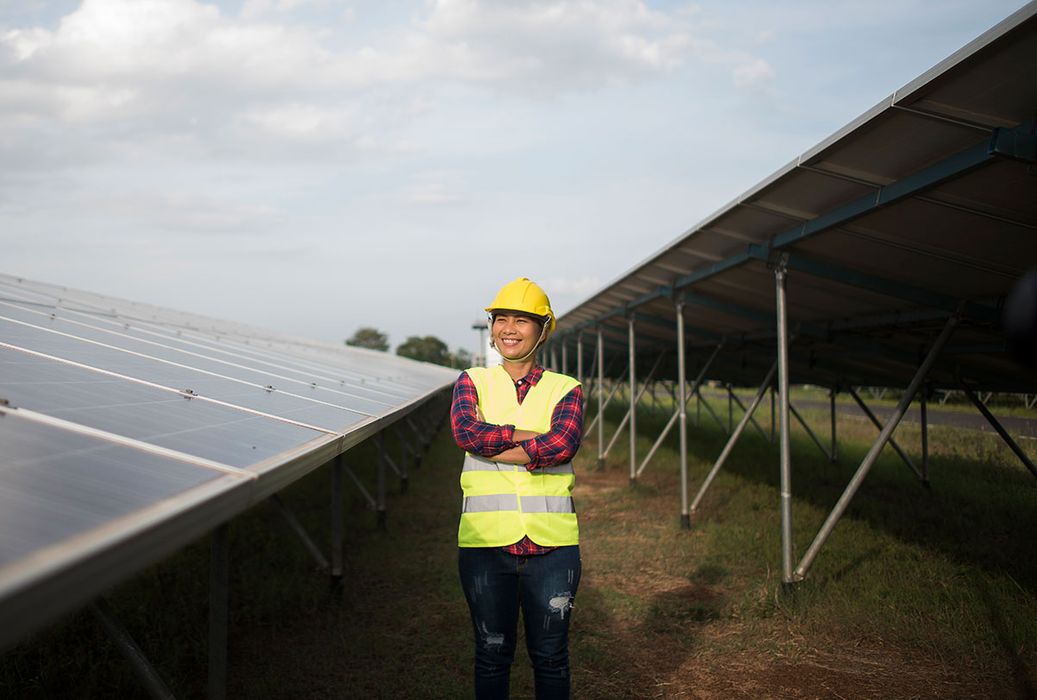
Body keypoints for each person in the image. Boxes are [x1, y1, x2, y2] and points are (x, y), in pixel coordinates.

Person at [451, 277, 585, 699]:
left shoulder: (567, 388)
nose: (509, 328)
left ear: (543, 329)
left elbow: (563, 444)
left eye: (522, 320)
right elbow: (467, 434)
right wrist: (531, 441)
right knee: (492, 653)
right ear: (491, 328)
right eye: (500, 319)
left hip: (553, 548)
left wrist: (499, 442)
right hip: (485, 545)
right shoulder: (471, 380)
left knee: (551, 656)